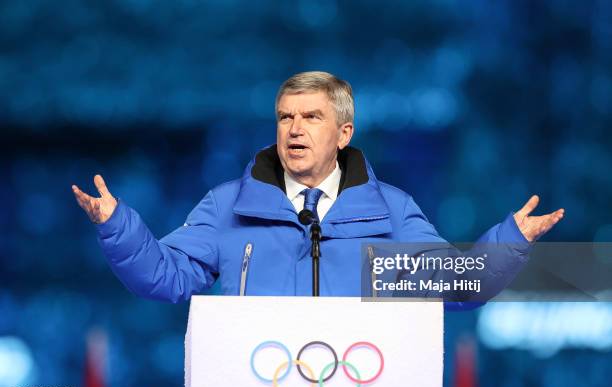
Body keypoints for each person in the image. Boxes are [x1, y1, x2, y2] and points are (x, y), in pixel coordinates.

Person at [72, 71, 564, 306]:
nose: (294, 129)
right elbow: (167, 276)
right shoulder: (227, 205)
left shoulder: (392, 211)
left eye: (311, 117)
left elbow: (457, 286)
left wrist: (510, 240)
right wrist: (118, 227)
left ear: (344, 133)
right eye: (285, 117)